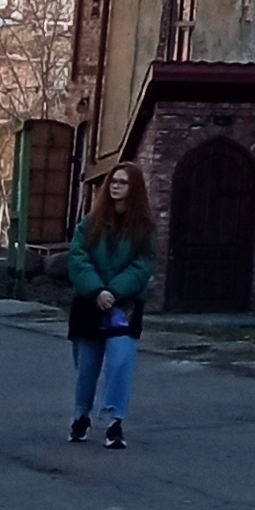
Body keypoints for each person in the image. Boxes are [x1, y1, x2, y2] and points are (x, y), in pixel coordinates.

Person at [67, 163, 157, 450]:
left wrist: (114, 292)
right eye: (113, 182)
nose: (116, 186)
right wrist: (96, 290)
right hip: (89, 303)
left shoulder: (144, 229)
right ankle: (81, 416)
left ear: (134, 188)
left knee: (120, 362)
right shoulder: (90, 223)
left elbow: (143, 265)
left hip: (124, 306)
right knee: (87, 367)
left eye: (123, 182)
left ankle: (114, 422)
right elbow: (78, 257)